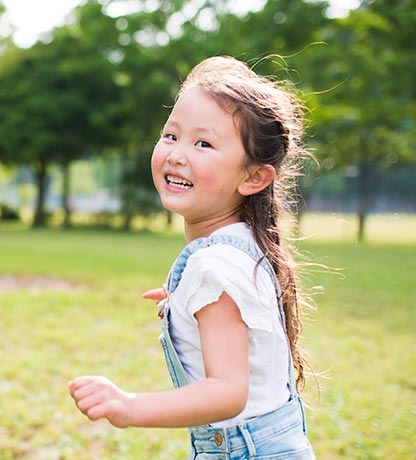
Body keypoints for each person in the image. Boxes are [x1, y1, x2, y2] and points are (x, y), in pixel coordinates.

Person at [68, 55, 316, 459]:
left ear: (253, 177)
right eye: (171, 136)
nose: (178, 154)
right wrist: (182, 300)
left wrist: (129, 407)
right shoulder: (243, 247)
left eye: (203, 143)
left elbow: (228, 393)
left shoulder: (214, 266)